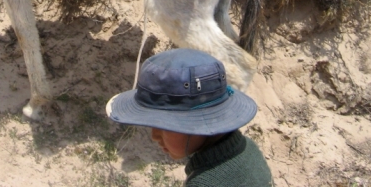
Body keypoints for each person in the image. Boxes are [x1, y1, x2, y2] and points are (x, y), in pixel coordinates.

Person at [106, 48, 273, 187]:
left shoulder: (204, 183)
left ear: (196, 123)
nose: (154, 136)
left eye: (165, 126)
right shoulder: (248, 149)